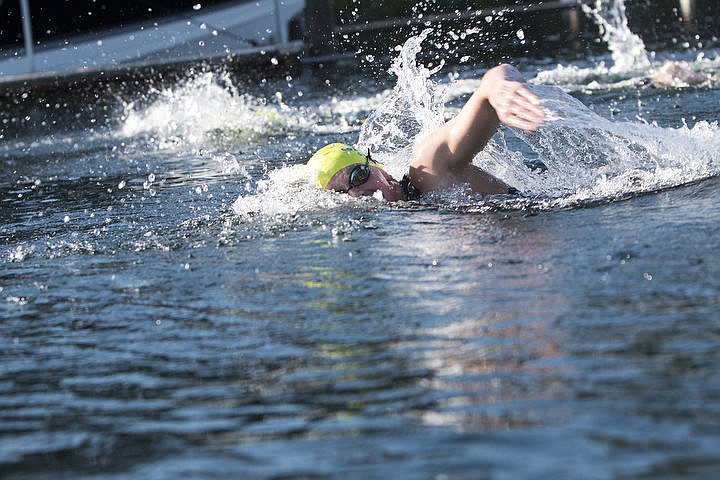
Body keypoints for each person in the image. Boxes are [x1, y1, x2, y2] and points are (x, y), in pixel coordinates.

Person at [306, 64, 545, 201]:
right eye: (341, 193)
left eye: (358, 175)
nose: (356, 192)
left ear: (381, 169)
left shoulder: (427, 169)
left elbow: (494, 80)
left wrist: (500, 88)